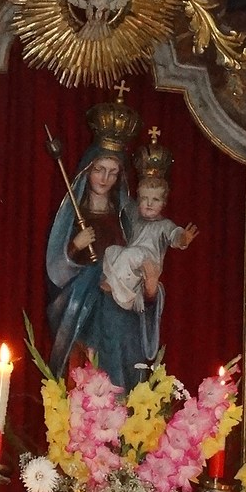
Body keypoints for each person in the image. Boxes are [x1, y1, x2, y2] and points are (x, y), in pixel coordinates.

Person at [45, 93, 163, 389]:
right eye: (99, 170)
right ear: (88, 169)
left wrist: (150, 288)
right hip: (85, 310)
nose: (105, 178)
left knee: (125, 357)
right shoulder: (74, 214)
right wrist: (75, 246)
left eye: (113, 172)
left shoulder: (126, 217)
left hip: (123, 312)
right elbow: (56, 272)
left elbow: (141, 267)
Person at [101, 173, 198, 313]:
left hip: (149, 261)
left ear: (163, 203)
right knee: (112, 250)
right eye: (144, 198)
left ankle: (111, 284)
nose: (149, 204)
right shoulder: (136, 217)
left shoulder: (164, 225)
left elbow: (175, 235)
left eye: (155, 199)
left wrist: (183, 239)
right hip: (132, 262)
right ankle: (120, 289)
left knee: (131, 253)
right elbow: (124, 200)